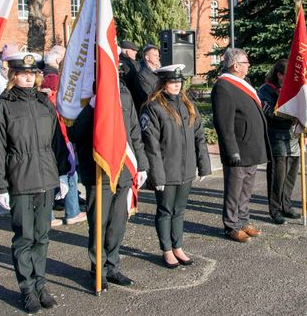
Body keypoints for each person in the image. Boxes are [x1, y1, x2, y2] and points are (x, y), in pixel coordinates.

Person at [0, 51, 69, 313]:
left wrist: (64, 173)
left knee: (42, 237)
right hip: (20, 180)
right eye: (23, 74)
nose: (28, 78)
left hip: (45, 178)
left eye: (32, 74)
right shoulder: (3, 106)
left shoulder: (45, 104)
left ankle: (41, 284)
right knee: (24, 238)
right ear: (13, 76)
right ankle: (27, 289)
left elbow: (57, 143)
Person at [67, 73, 149, 290]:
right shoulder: (84, 95)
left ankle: (112, 266)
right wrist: (93, 106)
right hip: (99, 171)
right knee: (99, 224)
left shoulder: (123, 92)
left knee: (117, 224)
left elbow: (133, 131)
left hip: (123, 170)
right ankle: (98, 270)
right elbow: (74, 132)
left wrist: (141, 164)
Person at [140, 64, 211, 268]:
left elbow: (199, 137)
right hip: (166, 170)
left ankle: (178, 246)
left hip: (186, 169)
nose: (177, 85)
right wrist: (157, 176)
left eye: (179, 82)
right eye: (172, 82)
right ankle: (167, 250)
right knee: (165, 210)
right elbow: (151, 146)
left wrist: (203, 165)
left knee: (179, 210)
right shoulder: (153, 107)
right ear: (163, 83)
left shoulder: (188, 105)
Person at [211, 48, 270, 243]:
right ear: (235, 66)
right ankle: (231, 225)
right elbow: (224, 124)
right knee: (234, 189)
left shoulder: (243, 83)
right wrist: (231, 150)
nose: (249, 66)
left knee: (246, 189)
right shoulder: (224, 87)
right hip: (238, 148)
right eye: (246, 63)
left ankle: (244, 220)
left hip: (250, 147)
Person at [40, 72, 87, 226]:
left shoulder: (41, 102)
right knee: (70, 176)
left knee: (51, 179)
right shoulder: (59, 102)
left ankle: (49, 215)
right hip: (63, 142)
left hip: (47, 146)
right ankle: (72, 211)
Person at [258, 60, 301, 225]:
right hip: (276, 137)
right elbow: (269, 112)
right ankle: (275, 210)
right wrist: (293, 115)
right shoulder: (266, 90)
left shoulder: (293, 90)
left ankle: (286, 205)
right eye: (287, 76)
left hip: (293, 137)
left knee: (290, 176)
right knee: (278, 176)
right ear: (279, 75)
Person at [133, 44, 161, 112]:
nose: (158, 58)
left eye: (158, 55)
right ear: (147, 58)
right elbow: (148, 96)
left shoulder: (160, 72)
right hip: (150, 110)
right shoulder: (141, 75)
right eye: (155, 55)